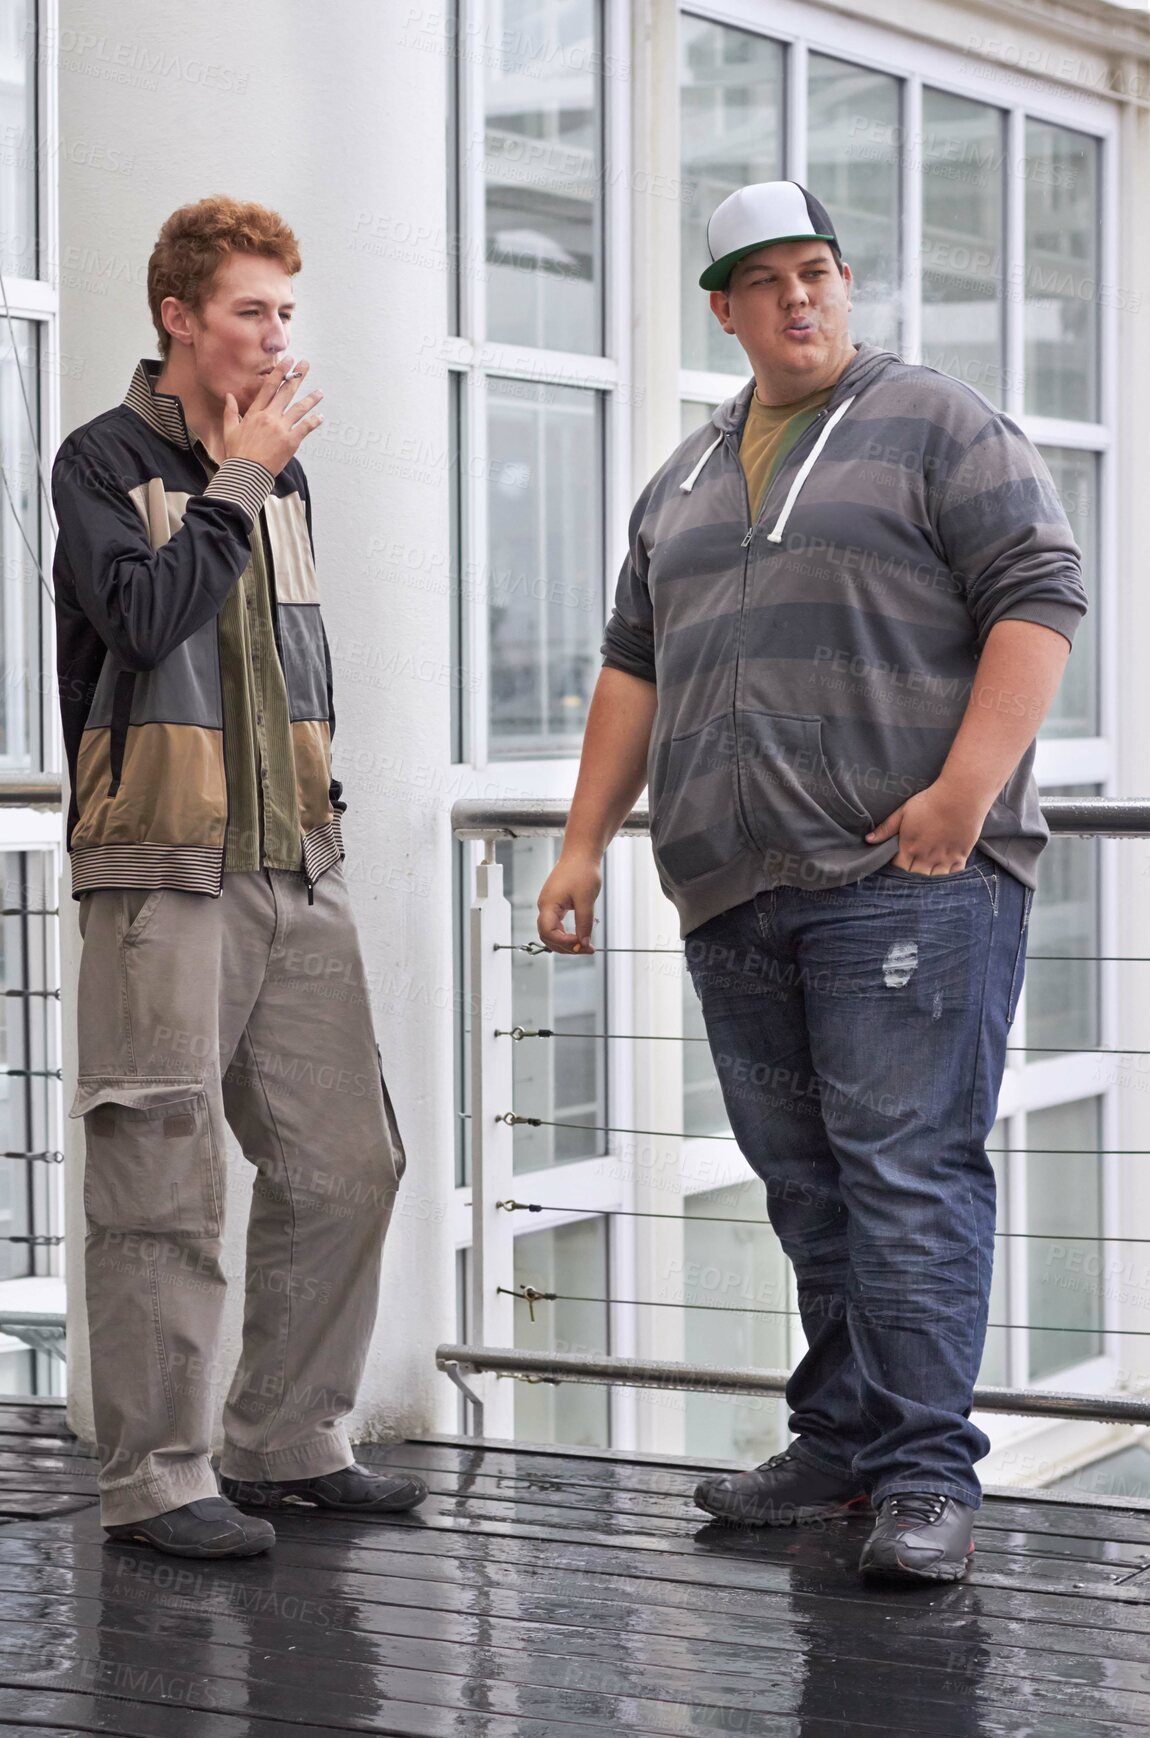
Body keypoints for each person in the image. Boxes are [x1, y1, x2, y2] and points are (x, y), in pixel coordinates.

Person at [536, 181, 1087, 1584]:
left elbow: (1038, 593)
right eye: (765, 280)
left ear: (843, 284)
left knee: (904, 1176)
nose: (800, 296)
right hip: (734, 888)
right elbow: (631, 664)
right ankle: (841, 1438)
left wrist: (962, 791)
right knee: (807, 1187)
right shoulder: (681, 473)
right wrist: (583, 841)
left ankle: (921, 1474)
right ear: (723, 308)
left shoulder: (937, 421)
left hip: (905, 878)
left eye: (819, 269)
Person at [53, 196, 426, 1558]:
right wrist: (235, 481)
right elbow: (147, 619)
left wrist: (260, 475)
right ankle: (156, 1478)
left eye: (286, 312)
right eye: (250, 313)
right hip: (163, 869)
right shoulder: (99, 462)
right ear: (178, 317)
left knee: (348, 1162)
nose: (277, 338)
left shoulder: (287, 473)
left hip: (296, 860)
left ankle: (285, 1438)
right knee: (158, 1178)